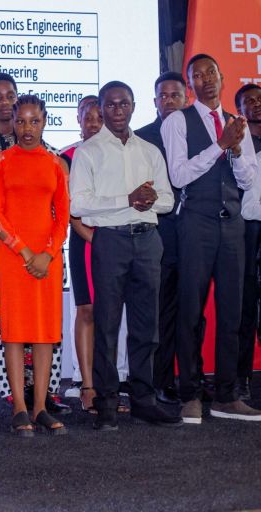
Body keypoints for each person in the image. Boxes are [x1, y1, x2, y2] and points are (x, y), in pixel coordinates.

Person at [70, 81, 182, 430]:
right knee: (106, 325)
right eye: (111, 105)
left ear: (133, 107)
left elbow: (168, 200)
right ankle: (105, 404)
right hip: (111, 242)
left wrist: (149, 200)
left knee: (146, 326)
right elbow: (79, 205)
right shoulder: (88, 152)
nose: (118, 110)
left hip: (148, 240)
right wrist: (127, 199)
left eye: (124, 104)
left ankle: (143, 400)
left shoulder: (149, 150)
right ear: (101, 109)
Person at [162, 54, 261, 423]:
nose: (205, 80)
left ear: (222, 77)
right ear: (190, 85)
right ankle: (189, 393)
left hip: (232, 224)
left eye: (210, 74)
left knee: (233, 311)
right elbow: (179, 174)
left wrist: (235, 149)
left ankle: (227, 394)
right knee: (190, 308)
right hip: (196, 223)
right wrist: (219, 145)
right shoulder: (178, 121)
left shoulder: (238, 123)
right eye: (197, 75)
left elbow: (249, 179)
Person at [0, 74, 67, 415]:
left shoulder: (55, 161)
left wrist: (47, 253)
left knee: (42, 330)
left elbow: (63, 214)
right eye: (21, 120)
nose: (27, 126)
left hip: (47, 257)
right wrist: (25, 251)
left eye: (34, 121)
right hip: (3, 252)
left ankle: (37, 399)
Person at [134, 71, 188, 405]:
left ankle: (191, 380)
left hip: (197, 234)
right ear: (154, 102)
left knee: (192, 312)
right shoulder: (141, 138)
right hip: (156, 236)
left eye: (175, 95)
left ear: (186, 99)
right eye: (163, 96)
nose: (168, 101)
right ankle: (159, 380)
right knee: (159, 313)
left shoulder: (201, 134)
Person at [61, 95, 104, 412]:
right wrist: (94, 238)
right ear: (78, 119)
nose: (93, 122)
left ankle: (111, 383)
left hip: (118, 241)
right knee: (86, 311)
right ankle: (87, 385)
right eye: (87, 116)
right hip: (84, 241)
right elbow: (70, 211)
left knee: (113, 313)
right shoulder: (67, 156)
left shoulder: (121, 152)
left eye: (98, 117)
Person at [235, 83, 261, 401]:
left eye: (260, 100)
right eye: (249, 102)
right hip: (244, 230)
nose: (256, 105)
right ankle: (239, 379)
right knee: (243, 309)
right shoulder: (236, 141)